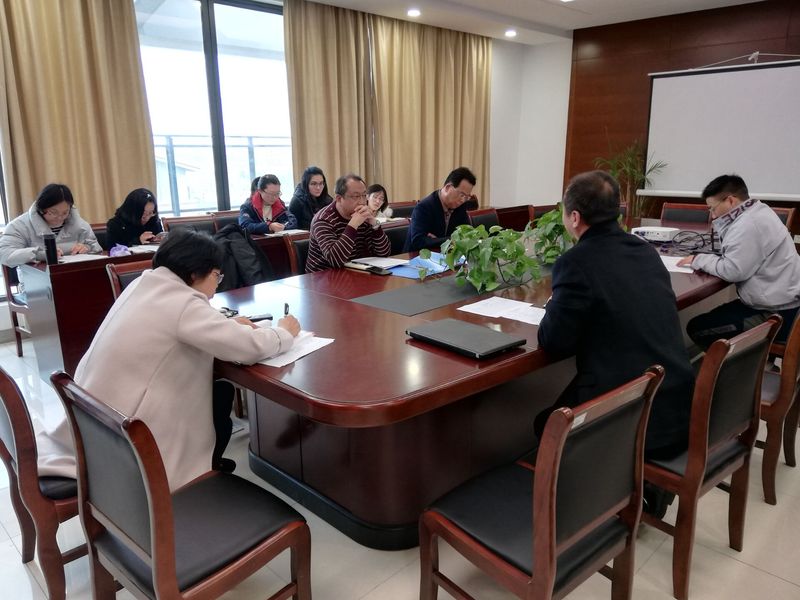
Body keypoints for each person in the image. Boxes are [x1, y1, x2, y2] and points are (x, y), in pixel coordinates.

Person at [37, 229, 302, 491]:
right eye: (216, 276)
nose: (216, 286)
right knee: (219, 394)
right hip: (124, 439)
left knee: (219, 393)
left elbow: (176, 324)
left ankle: (213, 466)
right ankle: (201, 486)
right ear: (195, 273)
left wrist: (227, 324)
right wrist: (284, 332)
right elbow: (248, 348)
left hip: (91, 421)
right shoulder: (183, 304)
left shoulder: (143, 284)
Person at [536, 170, 695, 514]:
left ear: (574, 217)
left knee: (545, 425)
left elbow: (554, 341)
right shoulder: (645, 251)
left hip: (634, 415)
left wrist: (553, 306)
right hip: (678, 404)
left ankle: (597, 498)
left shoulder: (575, 263)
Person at [677, 174, 800, 347]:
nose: (712, 215)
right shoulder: (759, 210)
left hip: (777, 315)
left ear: (730, 201)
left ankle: (742, 363)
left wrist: (698, 259)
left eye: (712, 208)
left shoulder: (748, 224)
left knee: (697, 328)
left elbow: (732, 271)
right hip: (786, 302)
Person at [305, 173, 391, 273]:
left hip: (355, 273)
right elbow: (335, 261)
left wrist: (375, 225)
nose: (362, 202)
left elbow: (384, 253)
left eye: (364, 196)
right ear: (339, 198)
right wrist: (353, 225)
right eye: (356, 196)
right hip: (323, 276)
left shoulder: (363, 216)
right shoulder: (323, 220)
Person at [0, 183, 102, 266]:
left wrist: (86, 248)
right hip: (36, 279)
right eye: (53, 212)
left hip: (73, 274)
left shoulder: (79, 224)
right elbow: (4, 254)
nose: (60, 217)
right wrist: (39, 254)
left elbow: (97, 248)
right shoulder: (20, 226)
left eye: (65, 212)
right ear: (41, 208)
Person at [404, 167, 475, 252]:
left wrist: (435, 240)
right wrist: (450, 240)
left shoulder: (461, 207)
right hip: (415, 257)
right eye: (462, 195)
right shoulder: (424, 207)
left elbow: (467, 235)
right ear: (448, 187)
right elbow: (418, 241)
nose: (463, 200)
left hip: (444, 256)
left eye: (467, 197)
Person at [289, 166, 333, 230]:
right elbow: (293, 228)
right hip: (305, 235)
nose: (318, 188)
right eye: (313, 184)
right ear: (306, 184)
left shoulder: (328, 200)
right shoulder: (297, 201)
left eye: (321, 183)